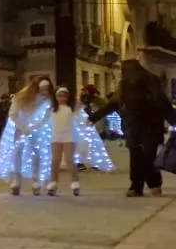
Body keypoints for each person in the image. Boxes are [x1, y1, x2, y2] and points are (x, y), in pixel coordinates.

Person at [93, 60, 176, 196]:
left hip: (140, 126)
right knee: (146, 156)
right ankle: (150, 184)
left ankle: (139, 186)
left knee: (139, 156)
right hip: (146, 126)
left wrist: (93, 118)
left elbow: (112, 104)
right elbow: (164, 103)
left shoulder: (131, 85)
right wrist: (173, 120)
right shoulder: (138, 84)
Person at [0, 77, 55, 196]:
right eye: (42, 88)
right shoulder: (21, 97)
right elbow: (13, 113)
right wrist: (23, 127)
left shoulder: (49, 100)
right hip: (20, 127)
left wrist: (35, 127)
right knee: (18, 152)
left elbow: (47, 116)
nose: (44, 91)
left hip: (36, 129)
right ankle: (17, 180)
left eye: (47, 88)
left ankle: (36, 180)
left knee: (36, 153)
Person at [46, 86, 114, 196]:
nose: (62, 98)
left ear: (68, 97)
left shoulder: (72, 109)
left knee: (69, 160)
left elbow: (81, 118)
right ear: (56, 97)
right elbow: (44, 121)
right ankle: (53, 183)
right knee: (55, 160)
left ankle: (75, 183)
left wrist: (89, 122)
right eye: (59, 96)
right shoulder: (52, 110)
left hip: (69, 137)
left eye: (64, 96)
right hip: (55, 137)